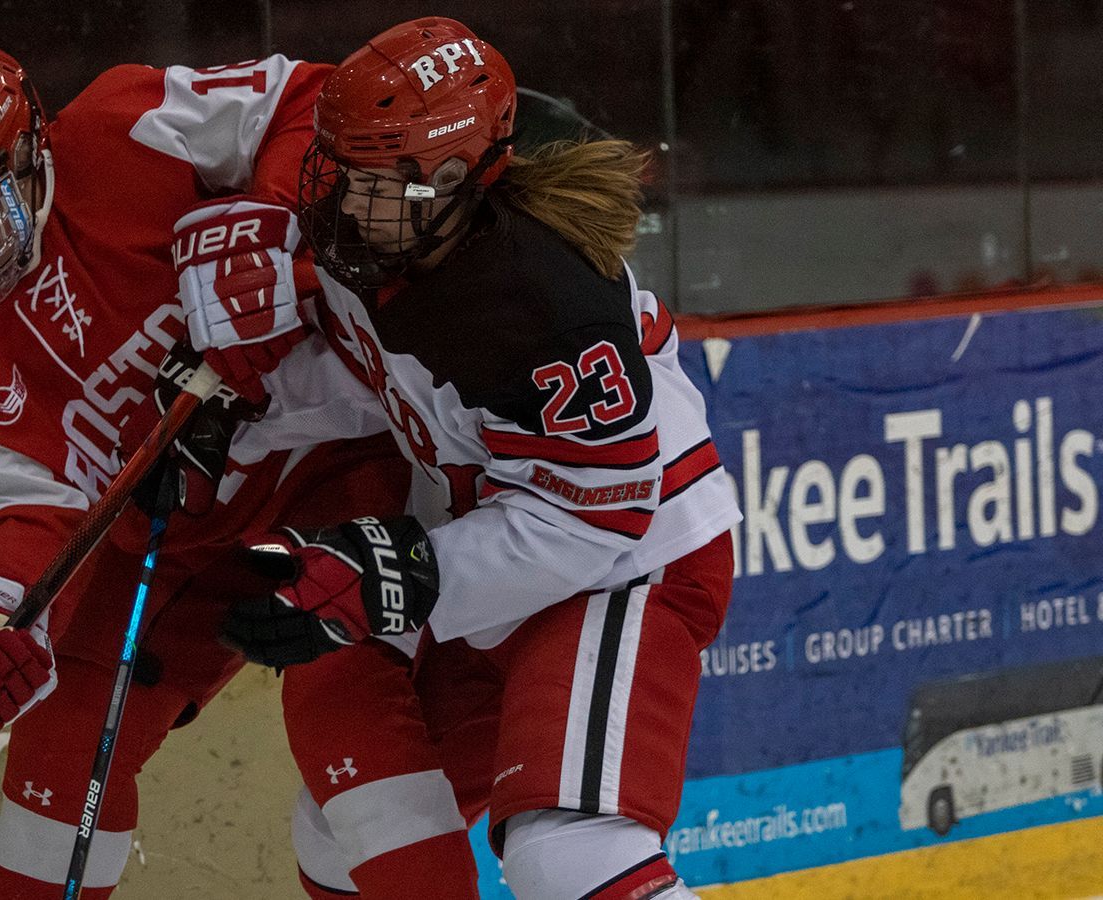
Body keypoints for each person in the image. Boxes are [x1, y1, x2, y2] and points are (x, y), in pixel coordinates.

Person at [0, 39, 478, 899]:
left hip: (336, 465)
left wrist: (266, 224)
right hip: (176, 536)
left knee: (345, 717)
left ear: (26, 162)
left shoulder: (125, 127)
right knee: (62, 742)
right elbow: (20, 530)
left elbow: (312, 103)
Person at [194, 18, 744, 900]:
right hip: (512, 563)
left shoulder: (542, 306)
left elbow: (595, 518)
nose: (342, 202)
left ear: (449, 181)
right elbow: (384, 378)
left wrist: (405, 574)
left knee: (566, 853)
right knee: (346, 831)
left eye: (372, 182)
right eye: (340, 170)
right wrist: (241, 417)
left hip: (628, 563)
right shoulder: (393, 234)